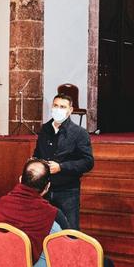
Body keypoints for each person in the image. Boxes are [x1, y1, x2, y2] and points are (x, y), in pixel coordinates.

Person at [33, 92, 93, 230]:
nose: (58, 109)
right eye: (55, 105)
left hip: (68, 191)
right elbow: (37, 153)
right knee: (43, 229)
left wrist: (62, 167)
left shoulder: (79, 133)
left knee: (70, 232)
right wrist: (33, 164)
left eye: (62, 106)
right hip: (44, 190)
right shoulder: (45, 129)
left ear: (70, 110)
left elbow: (88, 161)